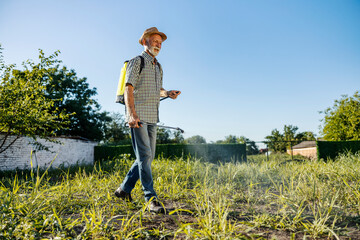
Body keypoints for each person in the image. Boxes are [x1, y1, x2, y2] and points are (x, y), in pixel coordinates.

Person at [114, 27, 181, 213]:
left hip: (153, 116)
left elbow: (158, 90)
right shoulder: (137, 62)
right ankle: (150, 199)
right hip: (139, 116)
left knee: (147, 157)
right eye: (155, 41)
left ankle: (123, 189)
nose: (158, 44)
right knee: (145, 156)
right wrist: (131, 114)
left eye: (160, 42)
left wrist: (168, 93)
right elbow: (128, 88)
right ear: (145, 41)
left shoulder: (158, 67)